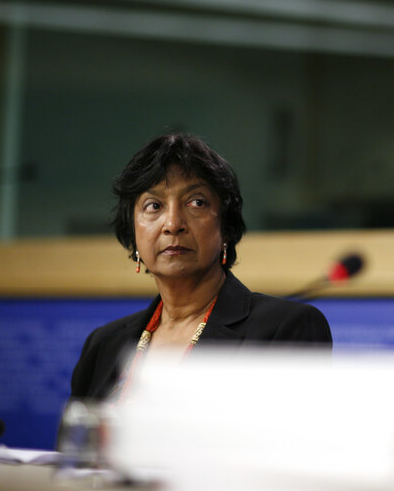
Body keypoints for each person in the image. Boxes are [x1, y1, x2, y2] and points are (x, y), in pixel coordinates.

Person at [71, 133, 332, 401]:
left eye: (196, 202)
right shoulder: (103, 344)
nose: (173, 223)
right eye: (154, 206)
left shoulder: (284, 329)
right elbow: (75, 440)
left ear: (226, 228)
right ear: (133, 231)